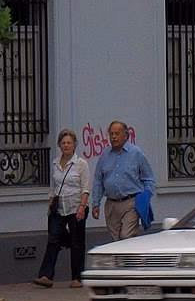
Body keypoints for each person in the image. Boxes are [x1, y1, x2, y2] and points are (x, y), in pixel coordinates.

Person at [33, 129, 92, 288]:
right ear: (59, 145)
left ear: (74, 145)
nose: (66, 145)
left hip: (76, 207)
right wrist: (50, 205)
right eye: (63, 143)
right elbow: (53, 188)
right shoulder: (54, 163)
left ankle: (77, 278)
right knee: (53, 238)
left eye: (69, 143)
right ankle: (46, 275)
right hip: (59, 208)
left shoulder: (81, 164)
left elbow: (85, 188)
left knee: (77, 242)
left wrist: (82, 206)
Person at [90, 120, 155, 241]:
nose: (114, 137)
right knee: (116, 241)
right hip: (111, 204)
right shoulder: (105, 155)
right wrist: (96, 203)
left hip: (130, 203)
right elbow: (98, 180)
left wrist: (146, 196)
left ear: (125, 136)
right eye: (111, 134)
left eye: (117, 133)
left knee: (126, 237)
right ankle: (130, 260)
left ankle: (129, 259)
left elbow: (149, 178)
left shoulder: (136, 153)